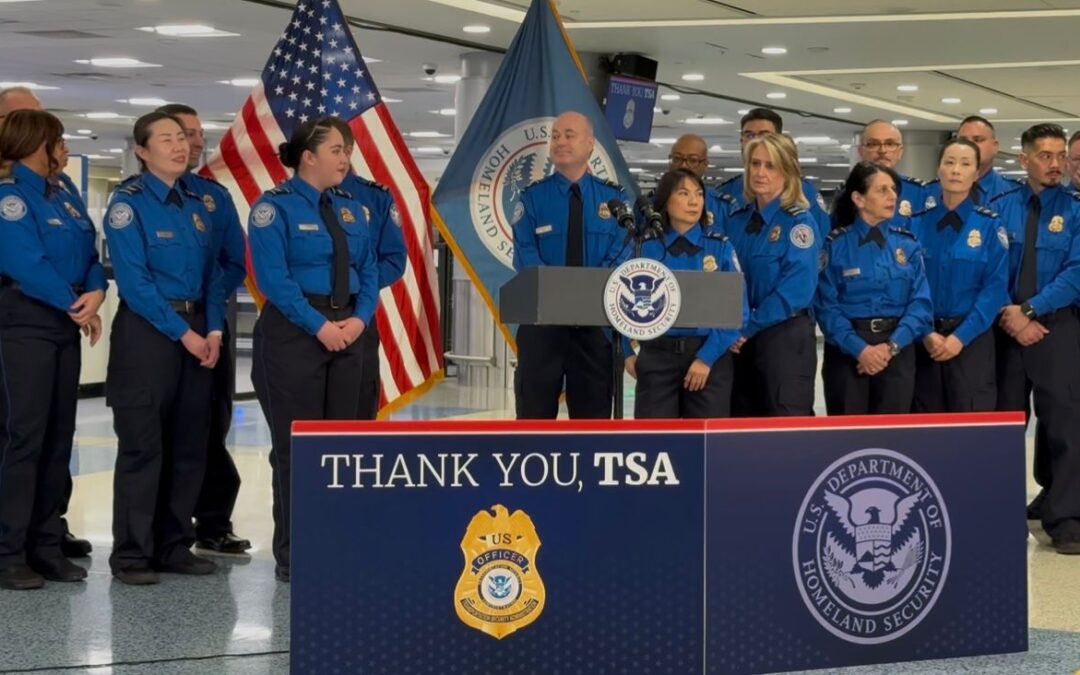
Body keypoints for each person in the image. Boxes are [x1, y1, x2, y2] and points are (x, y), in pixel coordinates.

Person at [248, 117, 379, 582]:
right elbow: (274, 281)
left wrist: (359, 320)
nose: (346, 158)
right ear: (309, 156)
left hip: (349, 329)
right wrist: (320, 326)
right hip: (295, 333)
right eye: (338, 150)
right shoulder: (273, 209)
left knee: (345, 451)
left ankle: (341, 545)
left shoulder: (352, 209)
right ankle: (296, 554)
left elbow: (369, 272)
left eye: (347, 150)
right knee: (297, 451)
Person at [104, 111, 228, 585]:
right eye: (166, 139)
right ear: (141, 151)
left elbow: (215, 274)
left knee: (189, 445)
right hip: (150, 335)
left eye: (183, 138)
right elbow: (134, 284)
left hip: (197, 328)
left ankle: (174, 544)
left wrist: (213, 330)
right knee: (143, 447)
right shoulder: (128, 204)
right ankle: (133, 554)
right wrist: (187, 334)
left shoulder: (195, 205)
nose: (179, 146)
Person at [0, 111, 106, 590]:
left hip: (65, 323)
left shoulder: (63, 194)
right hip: (26, 325)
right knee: (25, 438)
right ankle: (9, 551)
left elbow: (89, 252)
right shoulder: (10, 198)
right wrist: (74, 305)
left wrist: (96, 293)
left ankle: (46, 545)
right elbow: (27, 263)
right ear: (36, 143)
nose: (63, 148)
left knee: (59, 438)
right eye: (58, 140)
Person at [150, 104, 251, 555]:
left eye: (195, 134)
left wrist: (211, 310)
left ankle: (212, 521)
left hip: (211, 324)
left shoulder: (214, 197)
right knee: (158, 432)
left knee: (211, 425)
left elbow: (233, 261)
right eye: (180, 134)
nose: (192, 143)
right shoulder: (142, 198)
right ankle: (160, 526)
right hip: (163, 327)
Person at [991, 123, 1080, 554]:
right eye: (1045, 155)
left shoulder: (1077, 209)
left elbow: (1077, 272)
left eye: (1060, 155)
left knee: (1064, 426)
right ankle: (998, 513)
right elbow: (987, 270)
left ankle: (1064, 519)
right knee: (1004, 428)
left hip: (1055, 328)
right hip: (1004, 331)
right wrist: (1011, 314)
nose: (1055, 164)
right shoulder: (999, 207)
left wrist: (1030, 310)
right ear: (1023, 159)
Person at [512, 111, 627, 419]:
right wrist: (561, 299)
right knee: (533, 417)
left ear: (590, 143)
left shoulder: (613, 201)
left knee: (593, 423)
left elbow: (621, 254)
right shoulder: (533, 198)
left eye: (569, 135)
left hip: (594, 326)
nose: (560, 141)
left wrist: (583, 298)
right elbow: (525, 257)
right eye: (555, 136)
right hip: (542, 323)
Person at [623, 169, 746, 418]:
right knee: (655, 445)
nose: (694, 201)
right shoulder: (644, 248)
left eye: (699, 194)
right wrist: (626, 352)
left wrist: (706, 359)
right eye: (684, 193)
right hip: (657, 357)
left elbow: (737, 311)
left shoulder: (720, 247)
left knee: (707, 447)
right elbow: (618, 301)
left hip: (709, 356)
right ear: (666, 201)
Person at [816, 162, 932, 414]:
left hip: (897, 349)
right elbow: (826, 307)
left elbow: (920, 304)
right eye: (882, 190)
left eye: (893, 189)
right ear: (858, 198)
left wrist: (890, 348)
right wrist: (861, 350)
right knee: (848, 441)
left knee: (894, 442)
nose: (892, 196)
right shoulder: (835, 246)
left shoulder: (908, 245)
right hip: (848, 352)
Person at [718, 132, 819, 417]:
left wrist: (748, 327)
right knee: (740, 422)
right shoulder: (736, 221)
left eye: (770, 166)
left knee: (785, 424)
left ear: (788, 172)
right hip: (738, 341)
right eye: (755, 164)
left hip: (783, 339)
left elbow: (796, 291)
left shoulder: (799, 224)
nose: (760, 172)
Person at [909, 139, 1008, 412]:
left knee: (971, 429)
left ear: (976, 174)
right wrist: (926, 332)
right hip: (922, 340)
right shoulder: (915, 224)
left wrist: (960, 337)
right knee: (923, 428)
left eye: (965, 164)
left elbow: (994, 289)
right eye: (949, 162)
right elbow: (907, 286)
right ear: (938, 169)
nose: (956, 170)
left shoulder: (989, 225)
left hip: (971, 341)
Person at [324, 117, 407, 420]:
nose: (340, 157)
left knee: (358, 409)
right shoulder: (289, 201)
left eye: (342, 149)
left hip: (358, 314)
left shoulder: (374, 197)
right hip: (308, 318)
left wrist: (357, 287)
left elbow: (394, 260)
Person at [714, 108, 830, 236]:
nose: (756, 141)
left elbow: (821, 240)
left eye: (765, 135)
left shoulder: (804, 191)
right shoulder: (725, 192)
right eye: (749, 135)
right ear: (741, 141)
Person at [856, 120, 935, 218]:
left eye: (890, 144)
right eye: (873, 144)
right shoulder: (847, 191)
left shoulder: (919, 192)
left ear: (900, 152)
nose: (882, 151)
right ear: (861, 151)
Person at [952, 115, 1022, 205]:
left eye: (977, 140)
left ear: (995, 146)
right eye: (963, 141)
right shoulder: (934, 192)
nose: (969, 146)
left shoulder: (1016, 193)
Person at [667, 134, 729, 227]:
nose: (683, 165)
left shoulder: (722, 206)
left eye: (692, 160)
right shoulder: (651, 204)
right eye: (677, 158)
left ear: (705, 164)